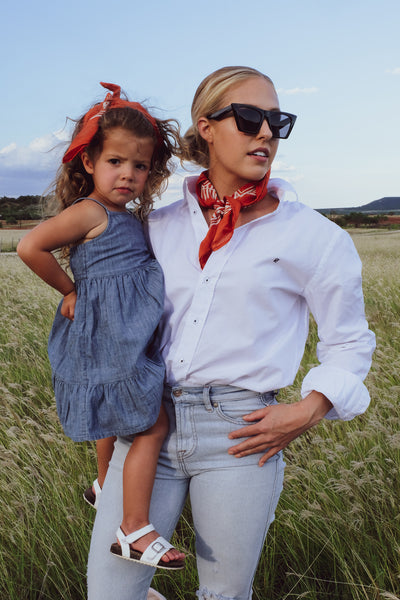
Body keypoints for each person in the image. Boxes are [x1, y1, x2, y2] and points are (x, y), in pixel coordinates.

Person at [86, 67, 376, 600]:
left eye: (277, 121)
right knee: (111, 593)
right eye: (248, 118)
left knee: (223, 595)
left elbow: (350, 342)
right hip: (148, 423)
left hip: (240, 437)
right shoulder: (159, 225)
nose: (265, 132)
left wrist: (308, 409)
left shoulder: (315, 237)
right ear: (207, 127)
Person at [17, 82, 185, 572]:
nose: (129, 174)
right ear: (89, 162)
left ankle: (104, 482)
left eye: (140, 165)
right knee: (151, 425)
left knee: (114, 415)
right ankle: (133, 528)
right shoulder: (90, 211)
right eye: (116, 162)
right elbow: (30, 247)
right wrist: (70, 291)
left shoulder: (125, 215)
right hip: (103, 336)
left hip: (120, 337)